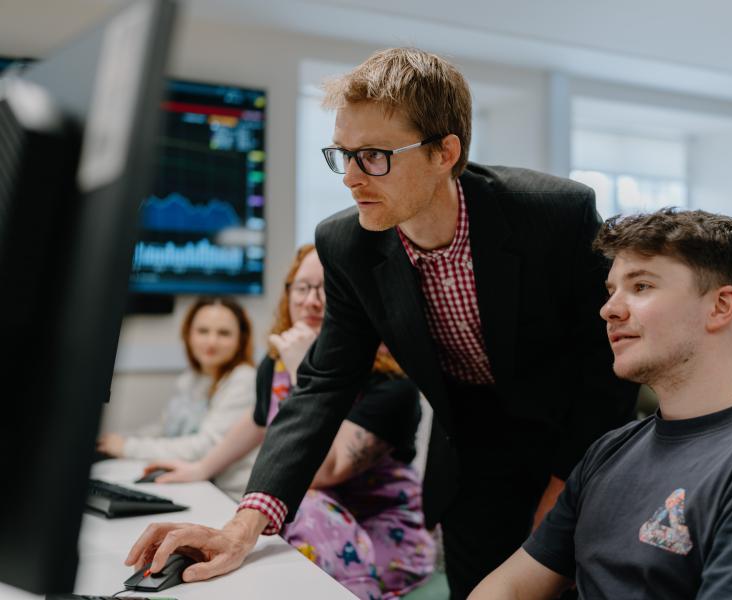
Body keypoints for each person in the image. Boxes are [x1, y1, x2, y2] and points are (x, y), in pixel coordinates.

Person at [125, 47, 638, 599]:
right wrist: (243, 525)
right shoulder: (346, 244)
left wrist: (565, 485)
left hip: (576, 448)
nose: (350, 178)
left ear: (446, 151)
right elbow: (324, 385)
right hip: (470, 464)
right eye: (342, 154)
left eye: (372, 156)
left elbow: (604, 362)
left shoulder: (553, 214)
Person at [470, 209, 732, 599]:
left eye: (642, 287)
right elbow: (512, 586)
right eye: (611, 290)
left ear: (721, 307)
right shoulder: (609, 451)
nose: (609, 309)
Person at [141, 245, 435, 599]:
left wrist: (304, 375)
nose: (311, 300)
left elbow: (325, 471)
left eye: (326, 289)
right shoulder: (275, 363)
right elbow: (258, 423)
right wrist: (199, 467)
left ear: (353, 299)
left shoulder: (392, 384)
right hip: (306, 518)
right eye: (302, 287)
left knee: (300, 511)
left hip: (379, 531)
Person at [97, 296, 256, 499]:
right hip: (196, 485)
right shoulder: (193, 378)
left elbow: (204, 448)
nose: (211, 341)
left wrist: (128, 447)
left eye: (223, 333)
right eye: (203, 331)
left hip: (227, 496)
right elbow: (164, 430)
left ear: (240, 339)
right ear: (188, 334)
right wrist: (118, 440)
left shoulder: (244, 379)